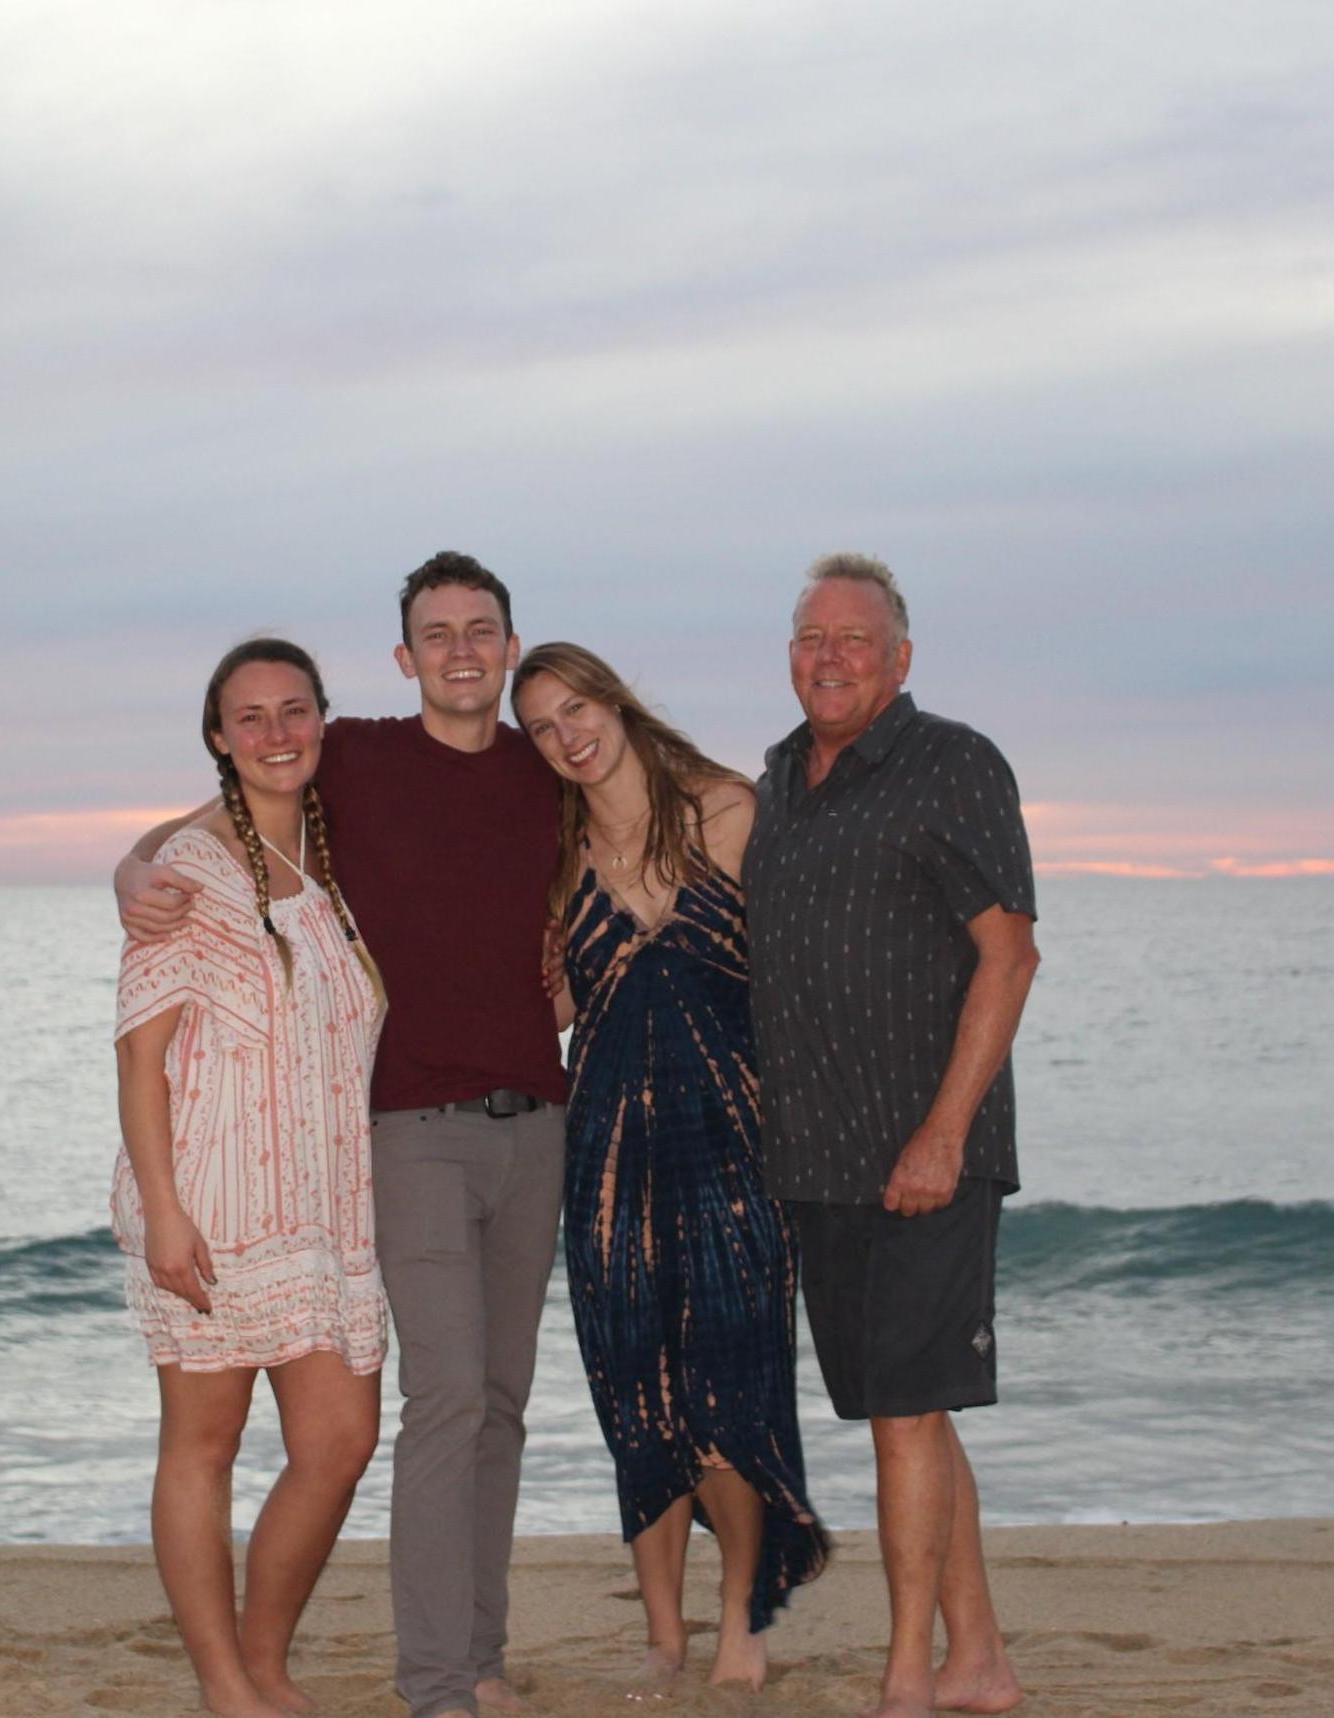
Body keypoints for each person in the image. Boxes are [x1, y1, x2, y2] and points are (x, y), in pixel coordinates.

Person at [115, 554, 566, 1718]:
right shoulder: (271, 814)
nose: (277, 732)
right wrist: (134, 859)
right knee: (254, 1434)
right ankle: (296, 1680)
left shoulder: (498, 783)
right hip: (266, 1183)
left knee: (382, 1430)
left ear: (509, 646)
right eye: (435, 631)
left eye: (481, 629)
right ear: (402, 655)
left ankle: (303, 1660)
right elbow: (139, 1044)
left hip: (353, 1188)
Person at [743, 554, 1039, 1718]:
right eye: (809, 635)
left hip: (925, 1155)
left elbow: (1007, 955)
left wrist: (943, 1132)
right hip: (817, 1159)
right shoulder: (776, 780)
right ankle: (981, 1659)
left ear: (899, 658)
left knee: (908, 1417)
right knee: (902, 1410)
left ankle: (907, 1676)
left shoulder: (949, 762)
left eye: (852, 639)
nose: (826, 655)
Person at [511, 642, 828, 1696]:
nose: (568, 734)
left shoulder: (727, 812)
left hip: (733, 1145)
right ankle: (662, 1630)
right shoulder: (552, 862)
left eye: (577, 706)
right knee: (634, 1395)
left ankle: (742, 1615)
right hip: (605, 1157)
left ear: (613, 697)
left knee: (730, 1391)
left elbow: (798, 980)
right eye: (544, 726)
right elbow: (552, 1016)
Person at [112, 637, 387, 1718]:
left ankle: (266, 1659)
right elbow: (139, 1053)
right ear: (218, 738)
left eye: (293, 710)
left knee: (338, 1441)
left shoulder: (334, 859)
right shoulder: (189, 869)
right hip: (213, 1206)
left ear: (322, 717)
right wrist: (166, 1213)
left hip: (323, 1207)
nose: (276, 733)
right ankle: (228, 1683)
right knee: (204, 1442)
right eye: (251, 716)